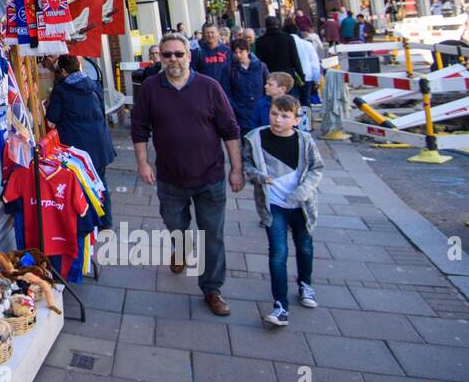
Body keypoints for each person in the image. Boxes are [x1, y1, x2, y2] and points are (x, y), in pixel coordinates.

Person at [130, 33, 243, 317]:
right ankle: (180, 249)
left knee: (212, 236)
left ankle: (212, 289)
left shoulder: (210, 87)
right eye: (167, 55)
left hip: (210, 177)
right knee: (175, 225)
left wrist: (237, 169)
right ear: (160, 58)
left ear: (189, 56)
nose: (173, 60)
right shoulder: (150, 88)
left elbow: (230, 130)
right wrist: (143, 163)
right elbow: (140, 129)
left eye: (178, 54)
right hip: (170, 178)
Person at [242, 94, 324, 327]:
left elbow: (317, 169)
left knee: (305, 246)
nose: (278, 120)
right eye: (274, 114)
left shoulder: (305, 141)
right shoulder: (255, 138)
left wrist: (303, 192)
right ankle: (280, 305)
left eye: (285, 116)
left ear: (296, 120)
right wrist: (257, 176)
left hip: (301, 205)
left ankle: (305, 284)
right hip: (273, 205)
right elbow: (246, 163)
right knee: (278, 253)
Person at [47, 55, 116, 180]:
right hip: (100, 142)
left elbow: (53, 117)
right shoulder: (95, 85)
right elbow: (101, 110)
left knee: (81, 188)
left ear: (62, 71)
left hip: (77, 147)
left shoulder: (61, 89)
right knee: (100, 184)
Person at [228, 37, 269, 134]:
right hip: (241, 113)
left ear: (247, 51)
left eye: (241, 52)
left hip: (260, 109)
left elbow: (268, 86)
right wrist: (236, 108)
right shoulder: (230, 69)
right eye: (235, 52)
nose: (238, 55)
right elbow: (226, 91)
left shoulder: (260, 66)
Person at [254, 17, 305, 88]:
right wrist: (301, 75)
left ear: (266, 26)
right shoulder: (288, 38)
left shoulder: (260, 41)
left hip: (270, 76)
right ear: (278, 24)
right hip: (287, 76)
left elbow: (260, 61)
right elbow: (295, 59)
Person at [192, 23, 233, 95]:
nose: (210, 35)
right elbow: (193, 74)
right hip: (206, 93)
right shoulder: (198, 52)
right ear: (203, 35)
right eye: (207, 33)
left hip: (226, 93)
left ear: (217, 34)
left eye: (212, 32)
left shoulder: (227, 51)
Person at [292, 26, 322, 109]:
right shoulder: (307, 44)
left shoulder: (284, 44)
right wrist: (316, 80)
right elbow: (314, 63)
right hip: (307, 76)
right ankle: (307, 120)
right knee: (305, 101)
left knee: (291, 102)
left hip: (290, 76)